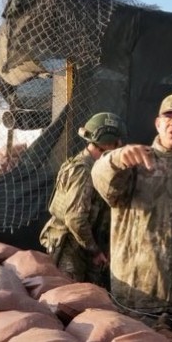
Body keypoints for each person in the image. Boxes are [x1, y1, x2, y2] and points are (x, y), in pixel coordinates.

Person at [90, 93, 172, 335]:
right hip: (139, 299)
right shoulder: (131, 165)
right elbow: (102, 180)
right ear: (158, 124)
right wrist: (114, 159)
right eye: (168, 117)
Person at [37, 112, 126, 287]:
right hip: (70, 248)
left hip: (79, 245)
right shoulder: (85, 171)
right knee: (68, 297)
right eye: (117, 141)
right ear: (108, 142)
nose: (121, 146)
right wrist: (95, 251)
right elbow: (75, 219)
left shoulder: (87, 164)